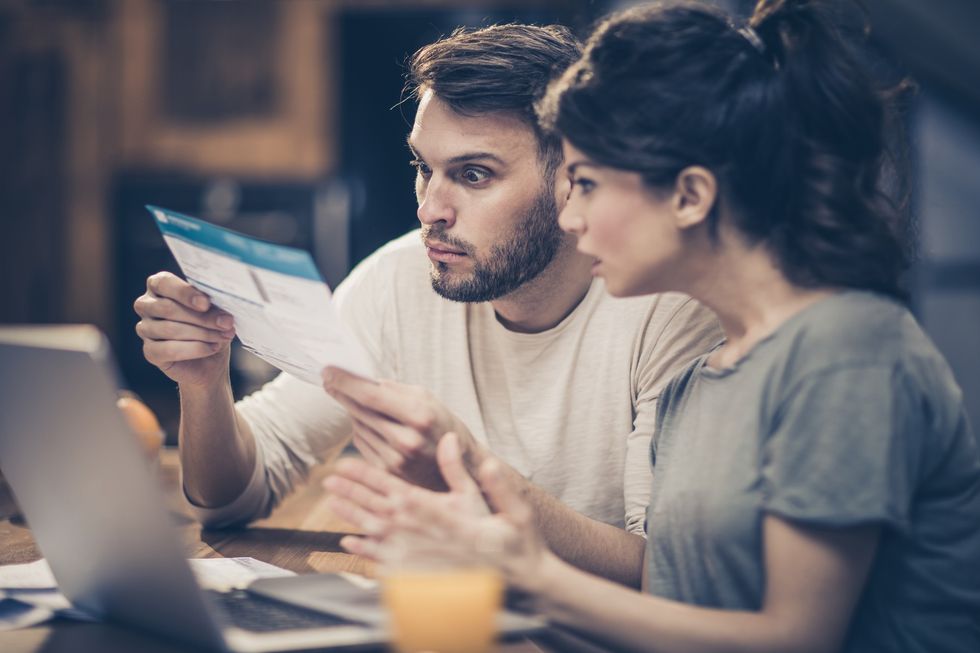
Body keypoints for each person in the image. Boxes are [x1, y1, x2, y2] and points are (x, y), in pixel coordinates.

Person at [324, 2, 980, 651]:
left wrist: (532, 576)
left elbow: (795, 639)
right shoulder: (697, 383)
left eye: (585, 184)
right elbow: (668, 618)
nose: (571, 219)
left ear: (691, 196)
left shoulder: (846, 352)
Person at [132, 23, 721, 586]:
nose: (429, 210)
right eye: (423, 168)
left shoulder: (668, 309)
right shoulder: (397, 278)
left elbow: (664, 575)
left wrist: (473, 474)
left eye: (473, 174)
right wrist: (203, 385)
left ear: (572, 180)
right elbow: (233, 497)